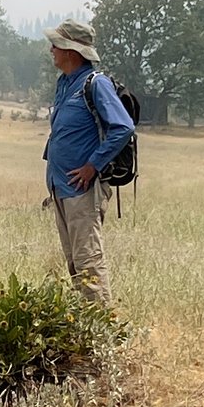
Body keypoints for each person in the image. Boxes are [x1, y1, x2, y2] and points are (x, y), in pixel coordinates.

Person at [41, 20, 134, 302]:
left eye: (56, 45)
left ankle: (101, 336)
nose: (51, 50)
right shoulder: (65, 84)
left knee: (88, 265)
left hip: (83, 191)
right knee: (74, 264)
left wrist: (93, 165)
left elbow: (123, 127)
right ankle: (83, 331)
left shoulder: (96, 84)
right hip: (61, 188)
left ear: (71, 51)